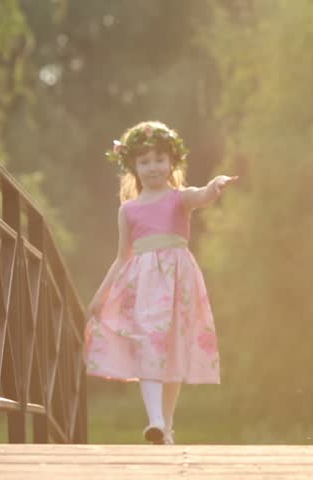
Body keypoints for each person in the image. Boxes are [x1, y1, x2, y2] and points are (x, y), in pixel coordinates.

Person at [84, 120, 237, 445]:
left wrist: (215, 186)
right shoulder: (129, 211)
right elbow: (122, 256)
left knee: (171, 352)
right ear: (133, 167)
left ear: (171, 163)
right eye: (144, 161)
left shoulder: (179, 199)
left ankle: (165, 426)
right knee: (148, 345)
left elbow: (200, 196)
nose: (152, 167)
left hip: (178, 285)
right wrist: (101, 295)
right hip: (143, 287)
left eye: (159, 159)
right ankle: (154, 420)